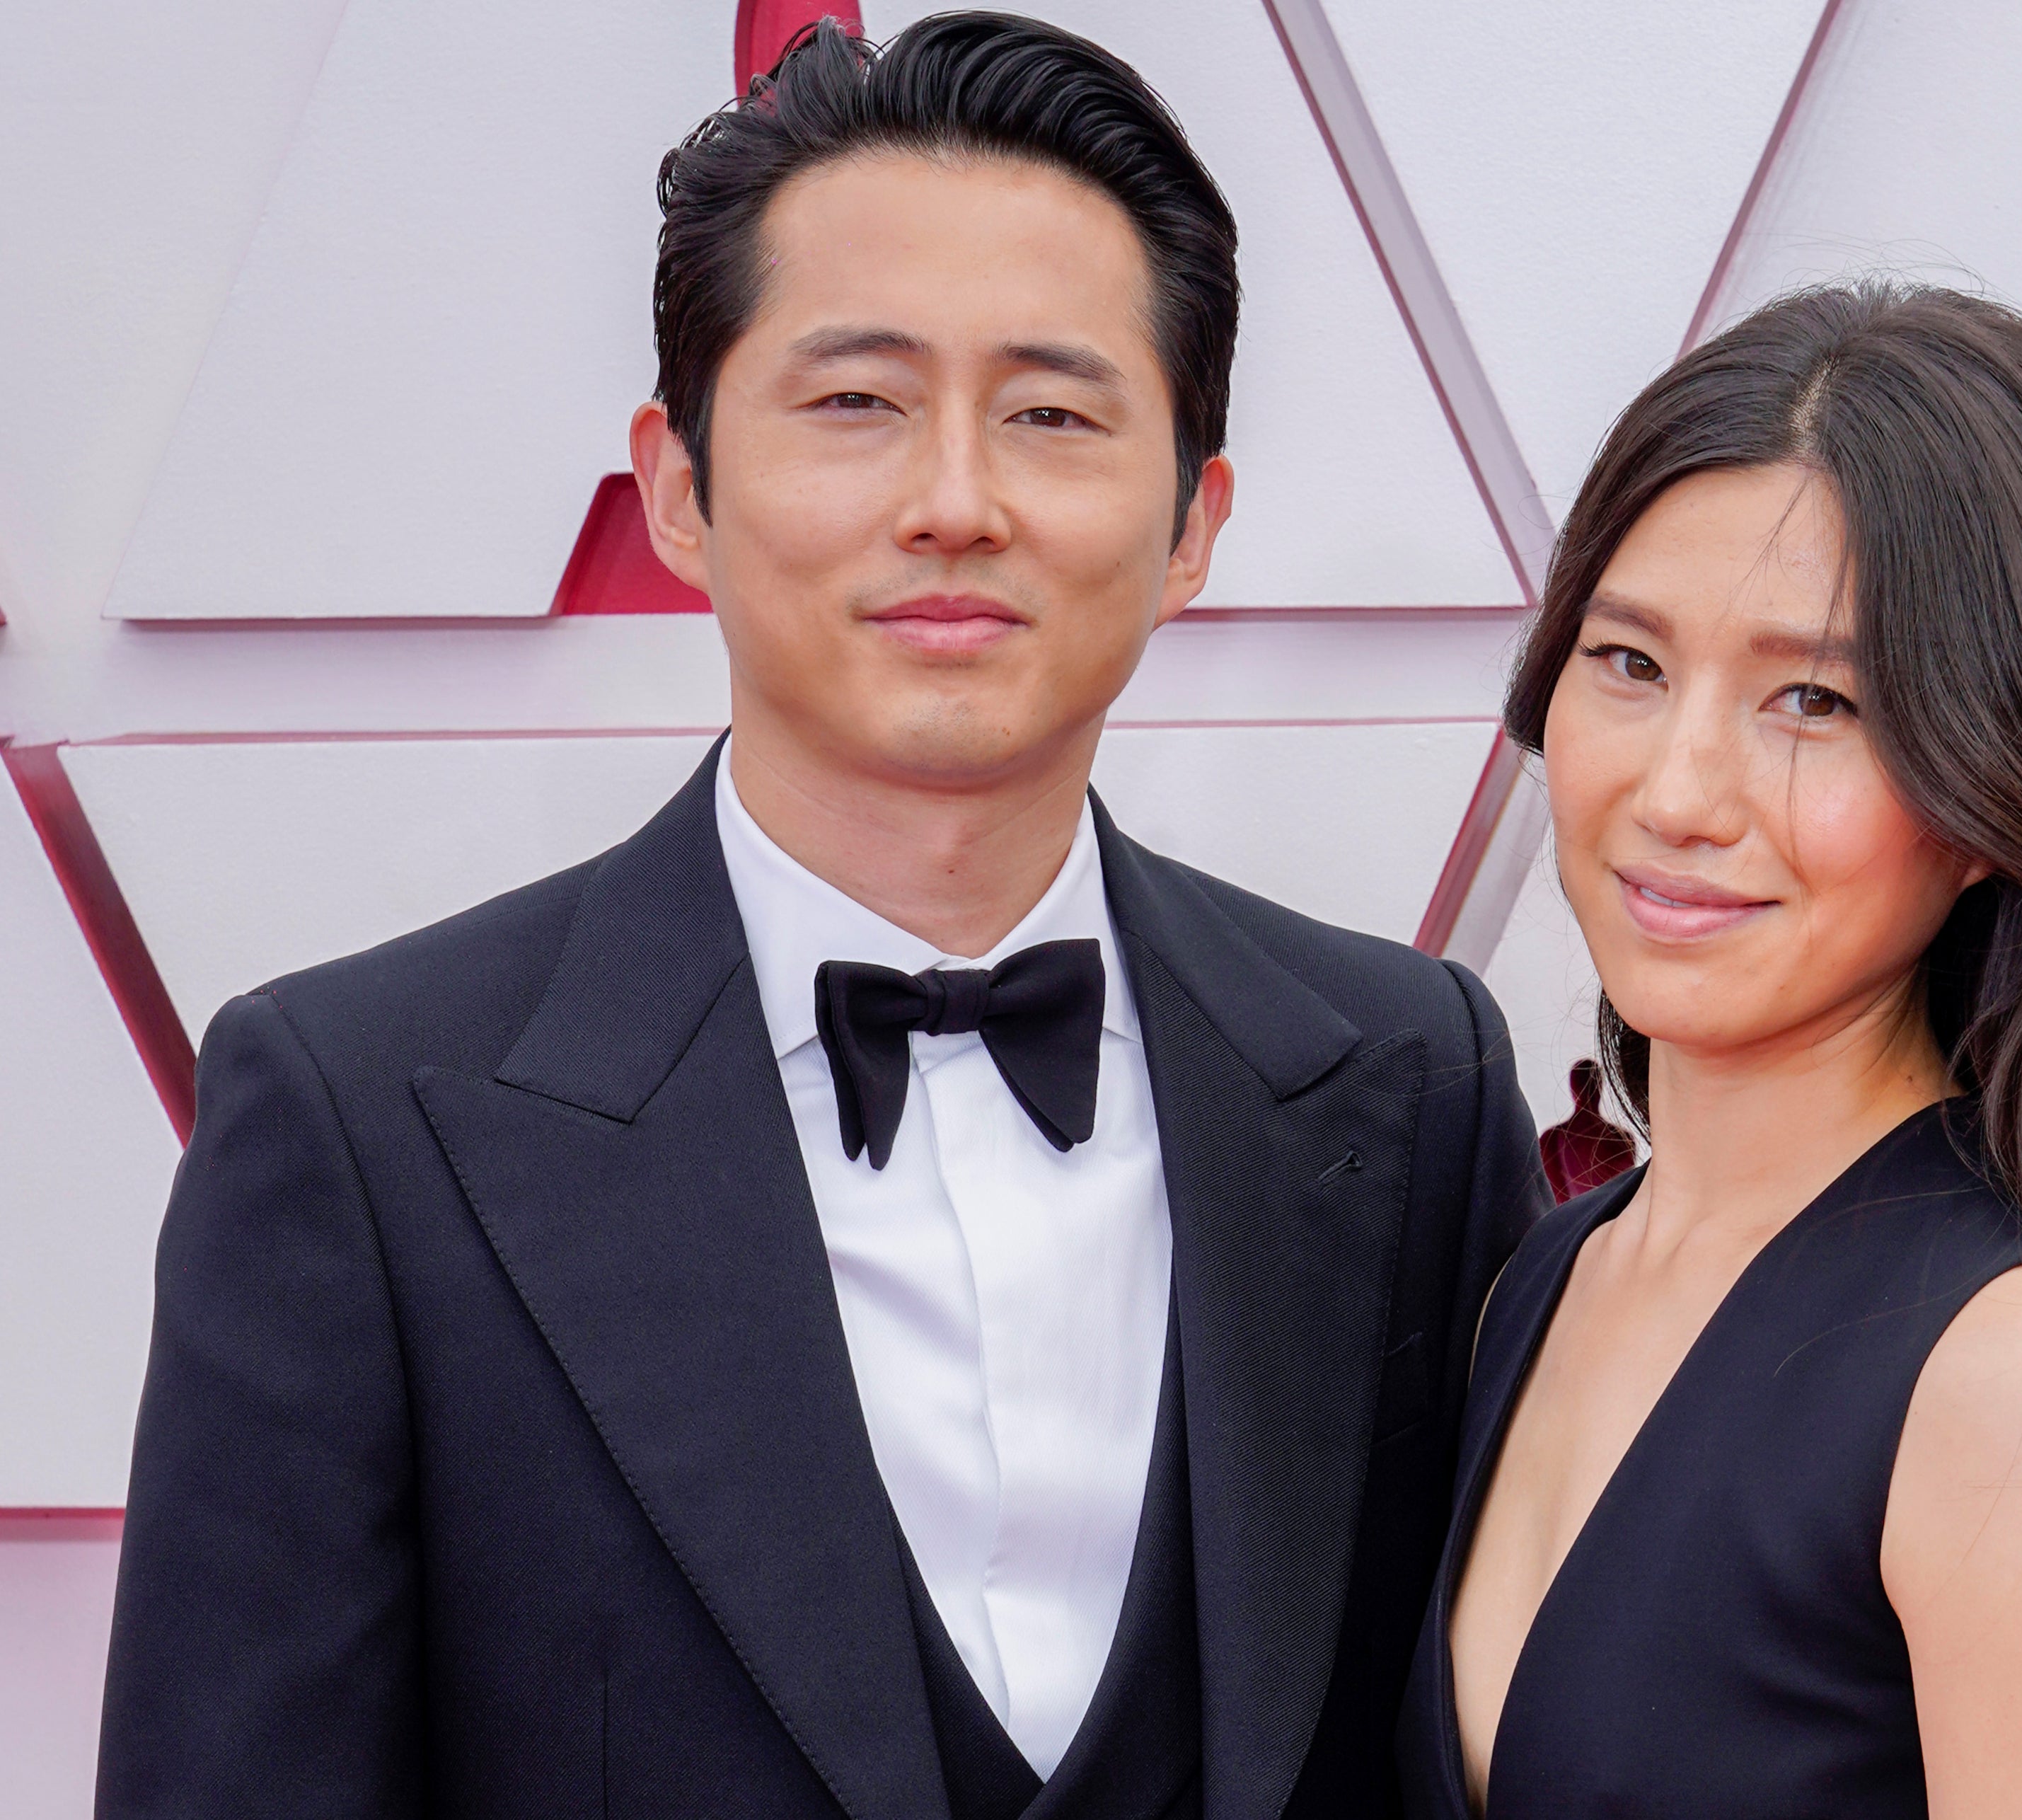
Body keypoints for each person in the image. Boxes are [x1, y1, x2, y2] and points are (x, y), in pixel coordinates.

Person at [98, 16, 1547, 1816]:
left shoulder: (1406, 1081)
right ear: (680, 488)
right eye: (857, 402)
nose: (955, 502)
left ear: (1194, 525)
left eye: (1053, 413)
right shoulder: (357, 1114)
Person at [1398, 282, 2022, 1818]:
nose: (1679, 789)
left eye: (1813, 699)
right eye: (1630, 662)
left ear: (2000, 787)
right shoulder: (1546, 1275)